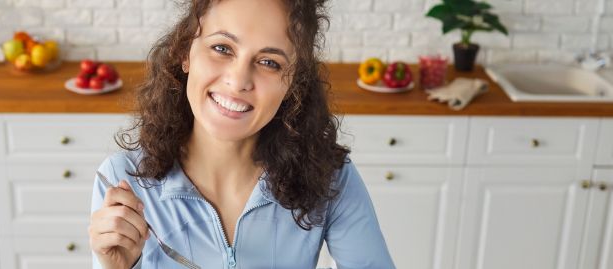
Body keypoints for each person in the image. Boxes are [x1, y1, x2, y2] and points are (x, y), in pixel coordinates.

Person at [88, 0, 394, 268]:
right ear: (185, 52)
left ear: (294, 84)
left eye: (269, 63)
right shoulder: (122, 180)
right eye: (222, 48)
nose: (238, 82)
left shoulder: (331, 177)